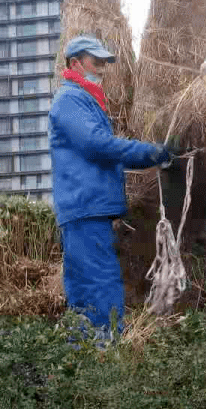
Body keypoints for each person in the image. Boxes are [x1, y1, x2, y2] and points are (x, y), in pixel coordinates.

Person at [50, 35, 174, 340]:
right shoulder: (70, 100)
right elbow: (97, 145)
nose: (102, 68)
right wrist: (149, 153)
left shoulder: (86, 101)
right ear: (75, 63)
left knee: (83, 290)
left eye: (105, 62)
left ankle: (83, 357)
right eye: (96, 61)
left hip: (86, 208)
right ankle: (108, 355)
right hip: (86, 207)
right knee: (100, 284)